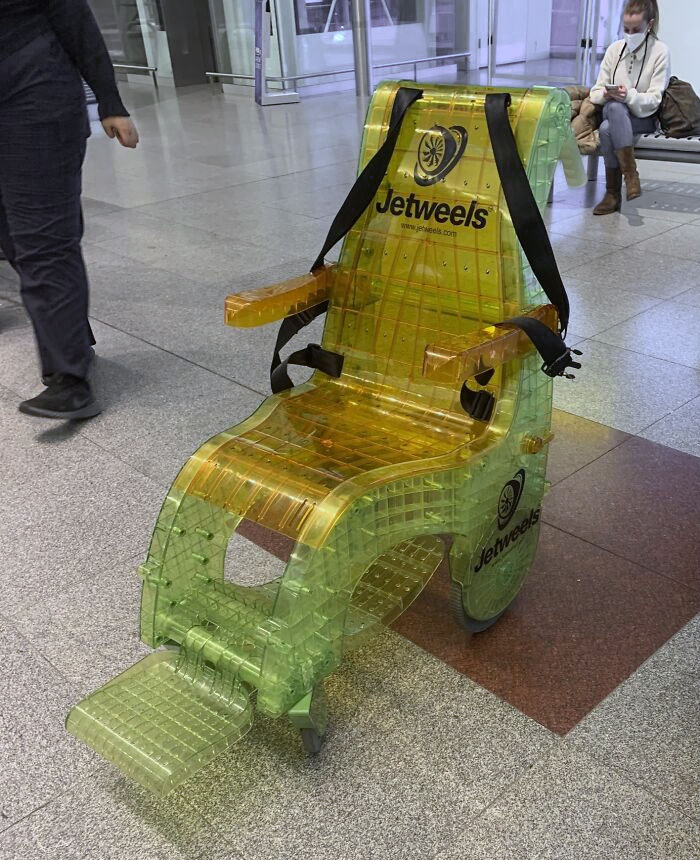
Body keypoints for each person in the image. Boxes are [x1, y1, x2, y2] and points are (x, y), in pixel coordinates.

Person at [0, 1, 139, 419]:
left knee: (43, 239)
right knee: (12, 237)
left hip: (34, 100)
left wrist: (110, 101)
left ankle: (69, 382)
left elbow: (75, 20)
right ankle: (71, 338)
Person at [589, 0, 670, 215]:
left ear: (649, 25)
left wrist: (629, 96)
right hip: (613, 111)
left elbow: (654, 99)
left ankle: (612, 194)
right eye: (626, 29)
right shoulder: (614, 50)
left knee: (607, 130)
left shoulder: (660, 52)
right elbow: (595, 92)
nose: (630, 33)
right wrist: (607, 94)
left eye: (636, 29)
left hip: (642, 117)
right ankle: (631, 176)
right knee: (615, 109)